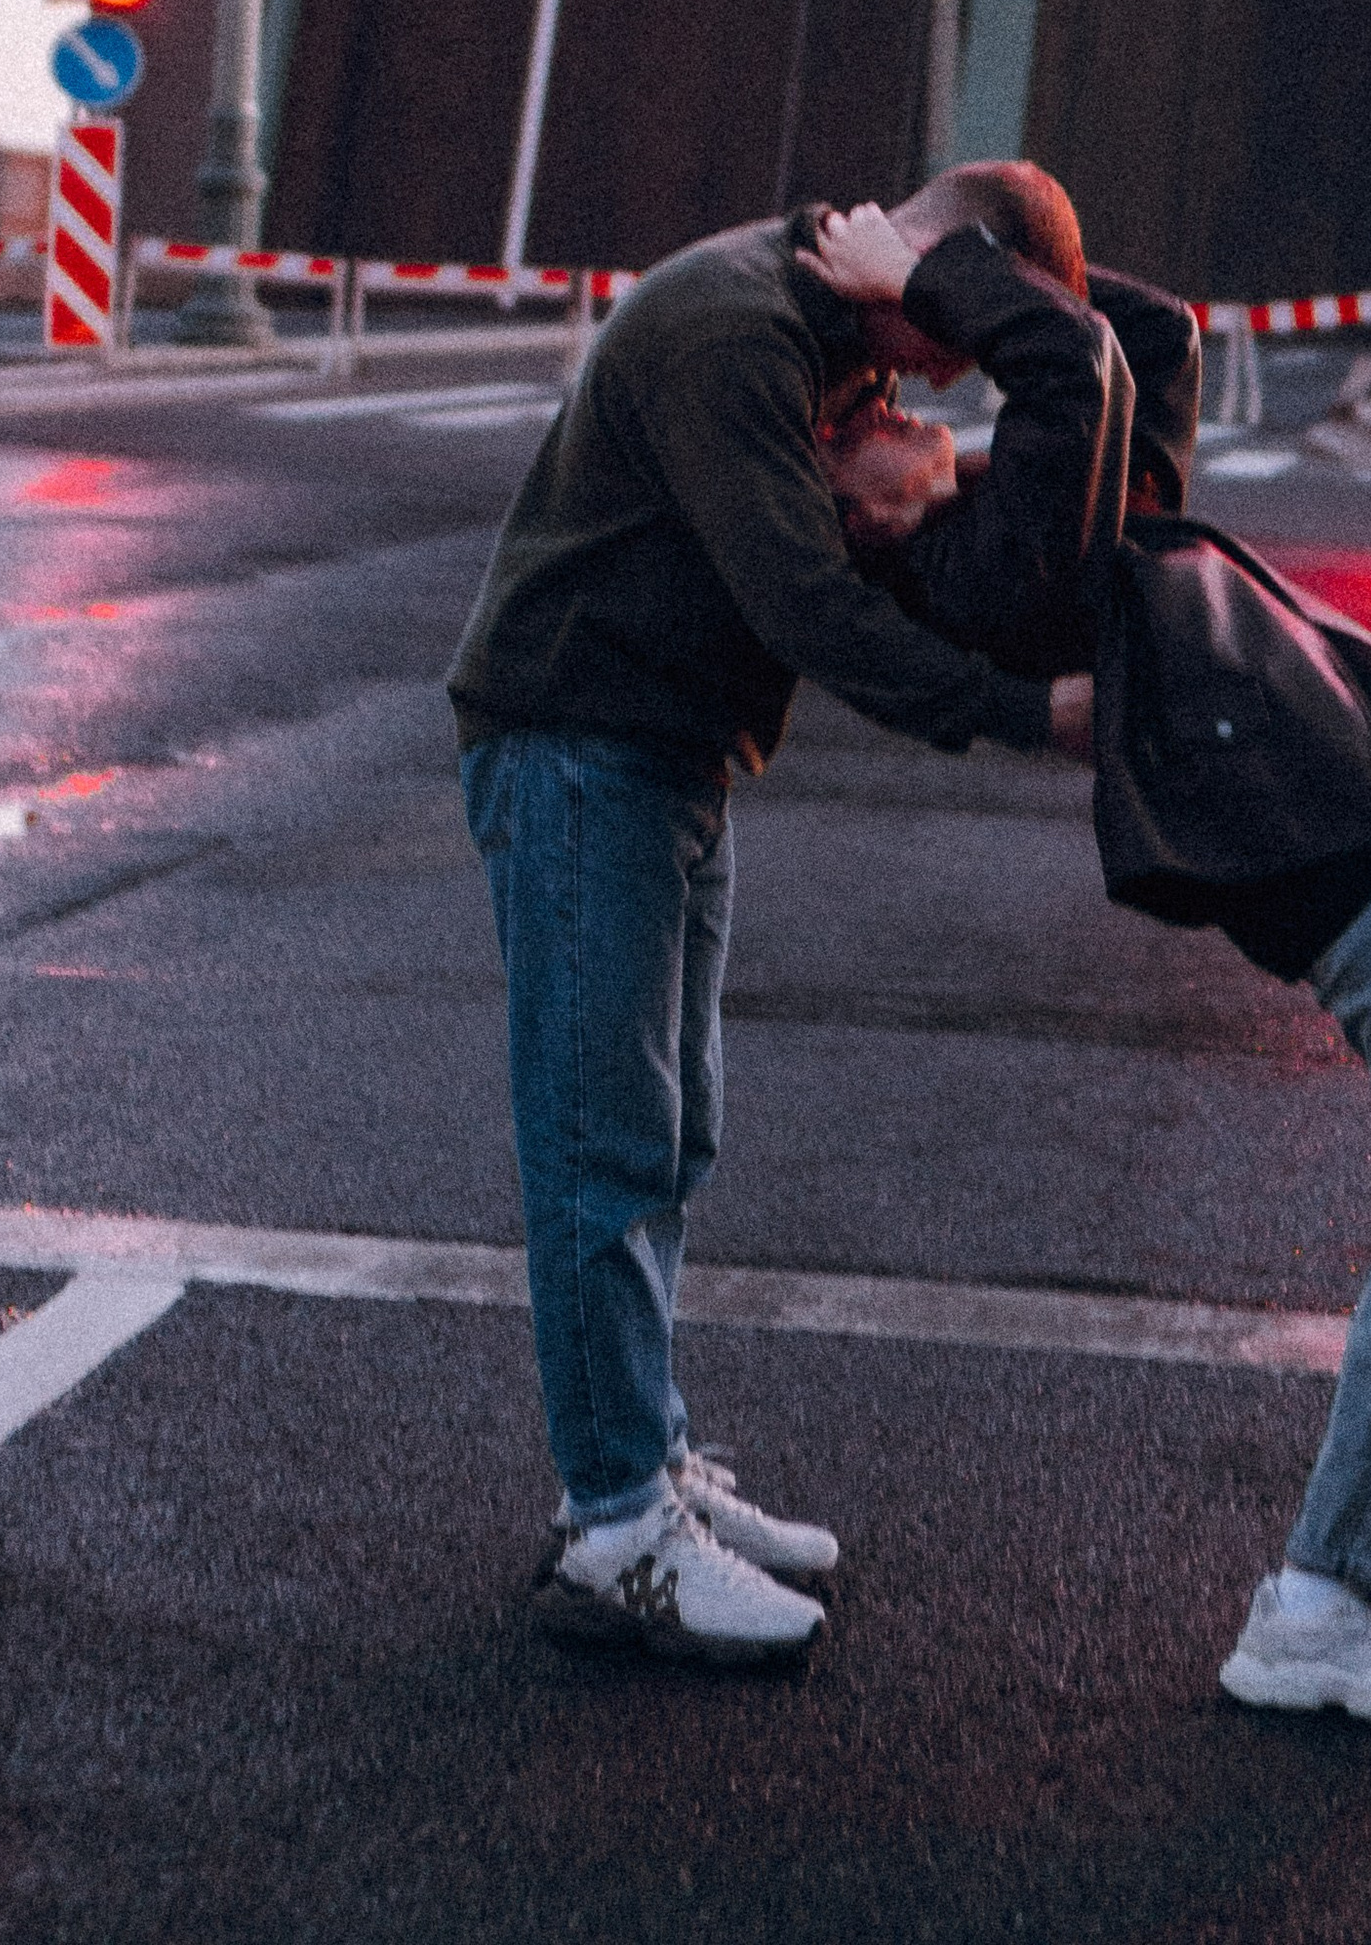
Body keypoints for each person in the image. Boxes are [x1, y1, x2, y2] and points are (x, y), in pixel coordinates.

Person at [808, 203, 1371, 1733]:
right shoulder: (988, 573)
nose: (897, 406)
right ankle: (1329, 1602)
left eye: (895, 385)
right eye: (859, 422)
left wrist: (969, 277)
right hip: (1365, 865)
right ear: (853, 520)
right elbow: (1080, 371)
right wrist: (941, 286)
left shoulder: (1047, 516)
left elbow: (1138, 344)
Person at [451, 160, 1089, 1667]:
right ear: (920, 263)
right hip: (578, 740)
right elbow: (809, 606)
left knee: (674, 1133)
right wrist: (1023, 716)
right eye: (957, 332)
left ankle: (647, 1458)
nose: (948, 374)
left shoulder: (829, 329)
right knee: (600, 1139)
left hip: (669, 753)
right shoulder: (740, 333)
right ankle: (616, 1527)